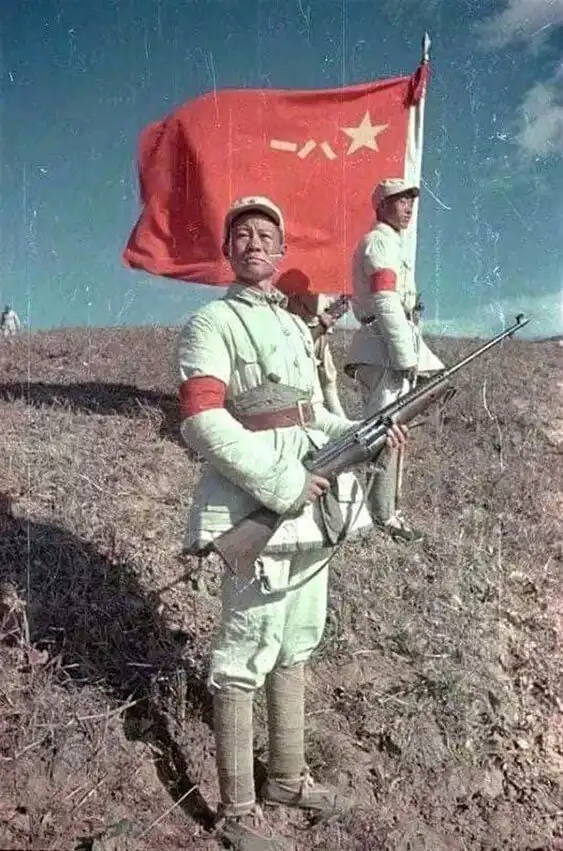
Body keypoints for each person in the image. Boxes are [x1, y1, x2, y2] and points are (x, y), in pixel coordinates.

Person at [175, 195, 408, 851]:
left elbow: (311, 415)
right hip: (256, 503)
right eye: (242, 234)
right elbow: (202, 420)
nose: (254, 243)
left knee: (296, 642)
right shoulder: (210, 322)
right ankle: (237, 810)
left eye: (265, 235)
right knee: (243, 655)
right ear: (228, 250)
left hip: (312, 512)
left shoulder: (293, 325)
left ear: (280, 253)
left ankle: (286, 777)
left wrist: (368, 432)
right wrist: (281, 483)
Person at [344, 179, 444, 544]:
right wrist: (405, 356)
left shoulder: (392, 243)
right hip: (384, 346)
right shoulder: (379, 242)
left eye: (410, 201)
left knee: (393, 431)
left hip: (390, 342)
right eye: (399, 201)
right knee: (384, 432)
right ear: (381, 207)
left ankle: (387, 510)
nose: (407, 207)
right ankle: (381, 515)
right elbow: (385, 301)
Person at [285, 292, 347, 417]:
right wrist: (329, 313)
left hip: (317, 334)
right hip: (304, 333)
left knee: (328, 380)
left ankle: (339, 417)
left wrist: (336, 307)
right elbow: (316, 307)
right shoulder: (296, 293)